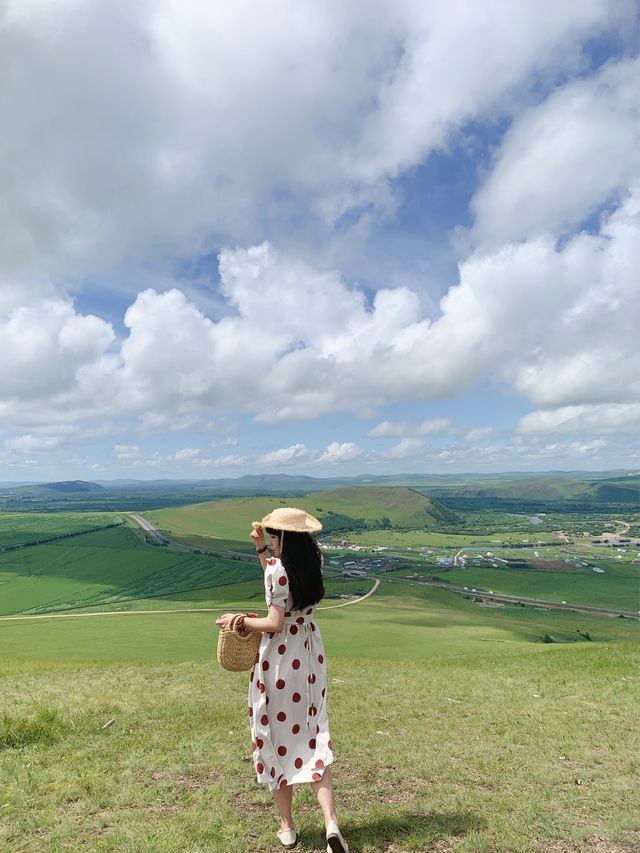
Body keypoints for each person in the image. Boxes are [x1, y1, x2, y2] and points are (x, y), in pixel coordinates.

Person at [216, 507, 348, 852]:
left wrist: (240, 620)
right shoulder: (311, 564)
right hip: (309, 656)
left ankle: (287, 827)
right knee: (314, 734)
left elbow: (274, 621)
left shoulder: (277, 570)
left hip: (279, 662)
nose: (271, 542)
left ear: (284, 538)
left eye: (274, 537)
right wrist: (262, 551)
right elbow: (281, 587)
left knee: (273, 738)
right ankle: (331, 822)